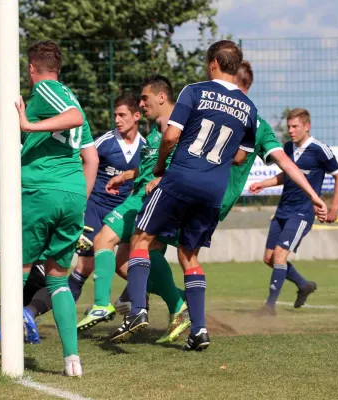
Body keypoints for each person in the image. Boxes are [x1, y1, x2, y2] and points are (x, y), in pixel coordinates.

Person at [111, 40, 259, 350]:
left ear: (214, 62)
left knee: (140, 238)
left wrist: (161, 166)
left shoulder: (194, 90)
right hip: (212, 190)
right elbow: (240, 158)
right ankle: (200, 330)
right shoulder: (249, 108)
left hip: (180, 179)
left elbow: (172, 136)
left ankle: (137, 309)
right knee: (189, 255)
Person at [77, 75, 189, 343]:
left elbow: (185, 164)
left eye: (144, 98)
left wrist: (162, 180)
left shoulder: (178, 129)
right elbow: (149, 164)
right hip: (141, 194)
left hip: (149, 198)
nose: (141, 103)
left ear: (161, 97)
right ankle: (179, 304)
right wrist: (125, 176)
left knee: (104, 239)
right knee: (131, 263)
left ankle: (105, 304)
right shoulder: (153, 132)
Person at [15, 40, 98, 377]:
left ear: (32, 69)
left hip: (42, 191)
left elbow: (74, 117)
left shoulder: (47, 89)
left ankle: (7, 346)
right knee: (57, 279)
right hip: (73, 194)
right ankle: (72, 360)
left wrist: (27, 125)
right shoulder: (70, 97)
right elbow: (90, 158)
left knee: (18, 270)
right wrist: (79, 200)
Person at [250, 108, 338, 314]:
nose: (290, 131)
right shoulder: (288, 147)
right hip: (283, 209)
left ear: (306, 126)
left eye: (295, 127)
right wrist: (265, 183)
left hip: (302, 212)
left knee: (280, 256)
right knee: (269, 259)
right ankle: (304, 285)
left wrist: (334, 208)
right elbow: (287, 175)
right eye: (289, 126)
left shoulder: (320, 149)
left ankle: (269, 307)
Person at [0, 111, 53, 345]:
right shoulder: (18, 153)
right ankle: (25, 316)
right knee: (54, 285)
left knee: (26, 284)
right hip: (13, 234)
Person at [68, 93, 145, 302]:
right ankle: (59, 311)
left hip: (123, 212)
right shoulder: (105, 141)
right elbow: (81, 161)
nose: (117, 120)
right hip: (96, 207)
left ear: (136, 116)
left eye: (122, 115)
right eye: (115, 115)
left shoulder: (145, 147)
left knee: (125, 267)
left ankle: (139, 303)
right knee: (85, 266)